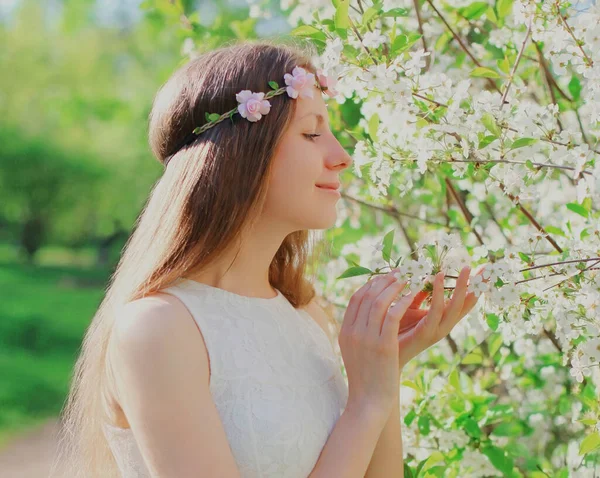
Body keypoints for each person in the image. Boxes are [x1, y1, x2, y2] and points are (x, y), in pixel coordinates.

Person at [51, 39, 483, 478]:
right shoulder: (160, 328)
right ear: (240, 153)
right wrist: (366, 403)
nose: (341, 157)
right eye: (312, 133)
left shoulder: (307, 315)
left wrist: (384, 372)